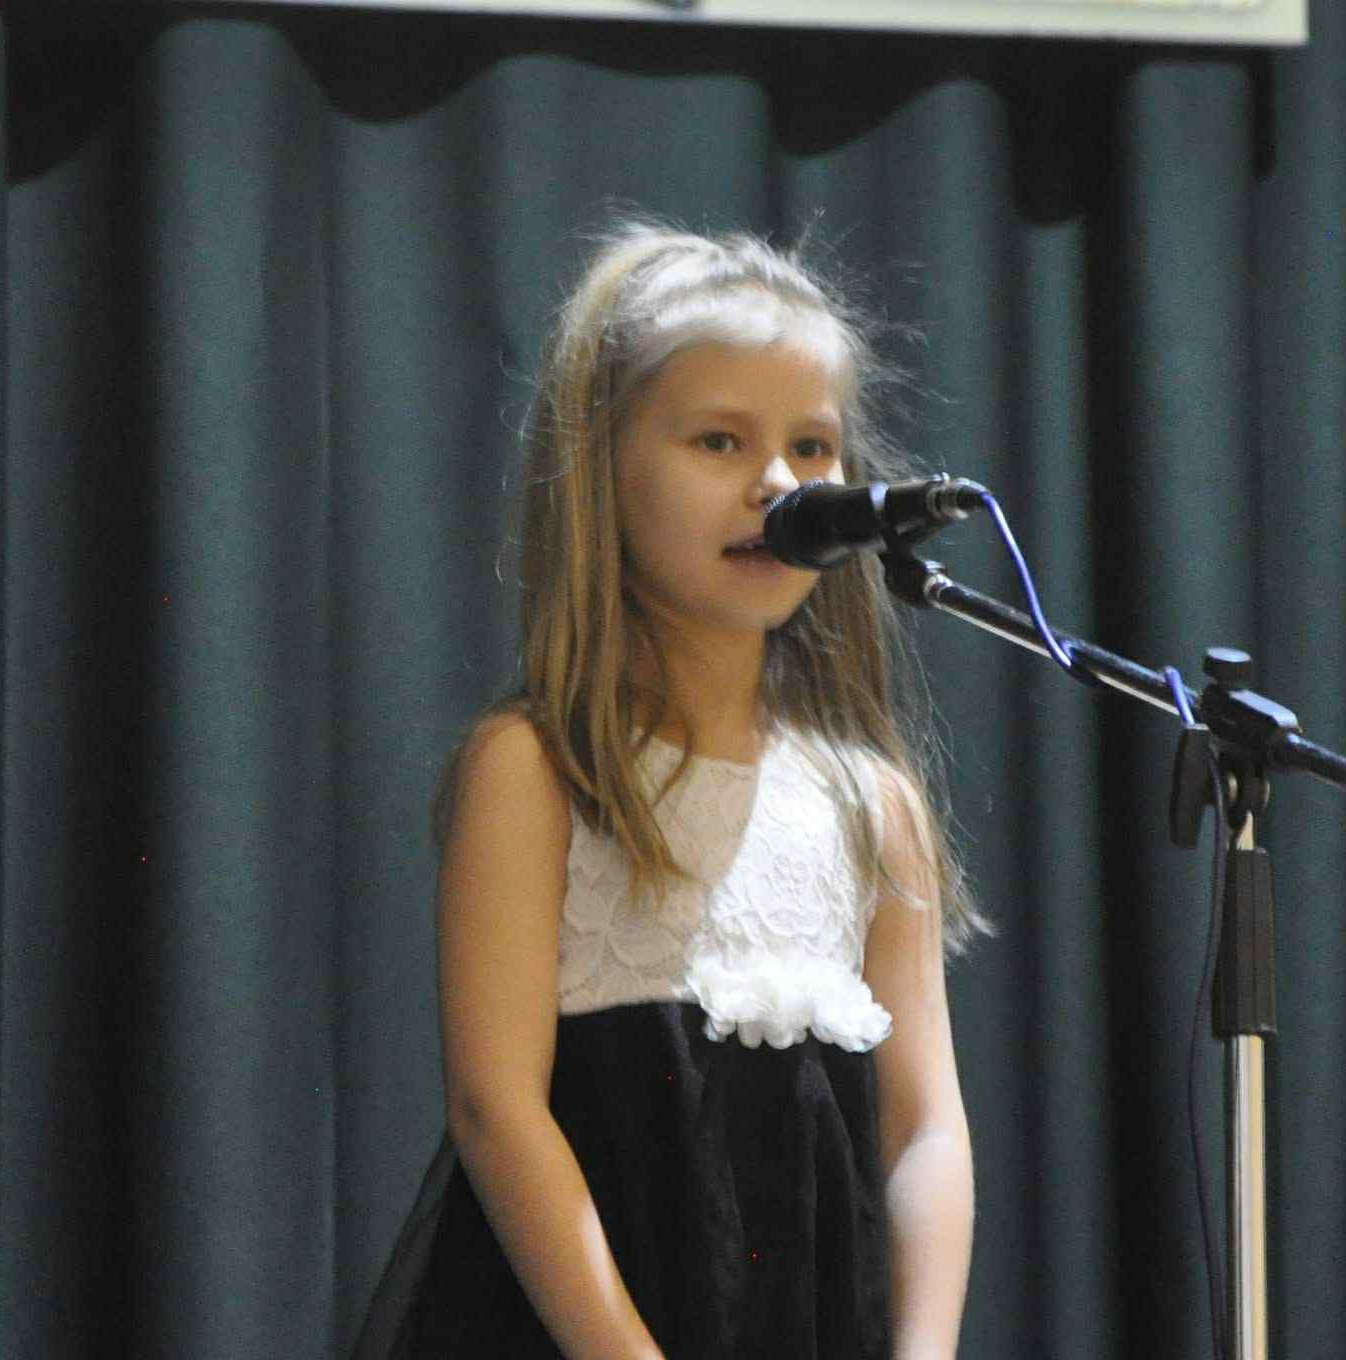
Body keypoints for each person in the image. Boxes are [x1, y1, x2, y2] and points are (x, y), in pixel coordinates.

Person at [354, 220, 987, 1360]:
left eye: (812, 446)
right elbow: (496, 1108)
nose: (778, 484)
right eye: (718, 440)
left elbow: (923, 1125)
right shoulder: (538, 769)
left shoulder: (870, 804)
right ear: (605, 472)